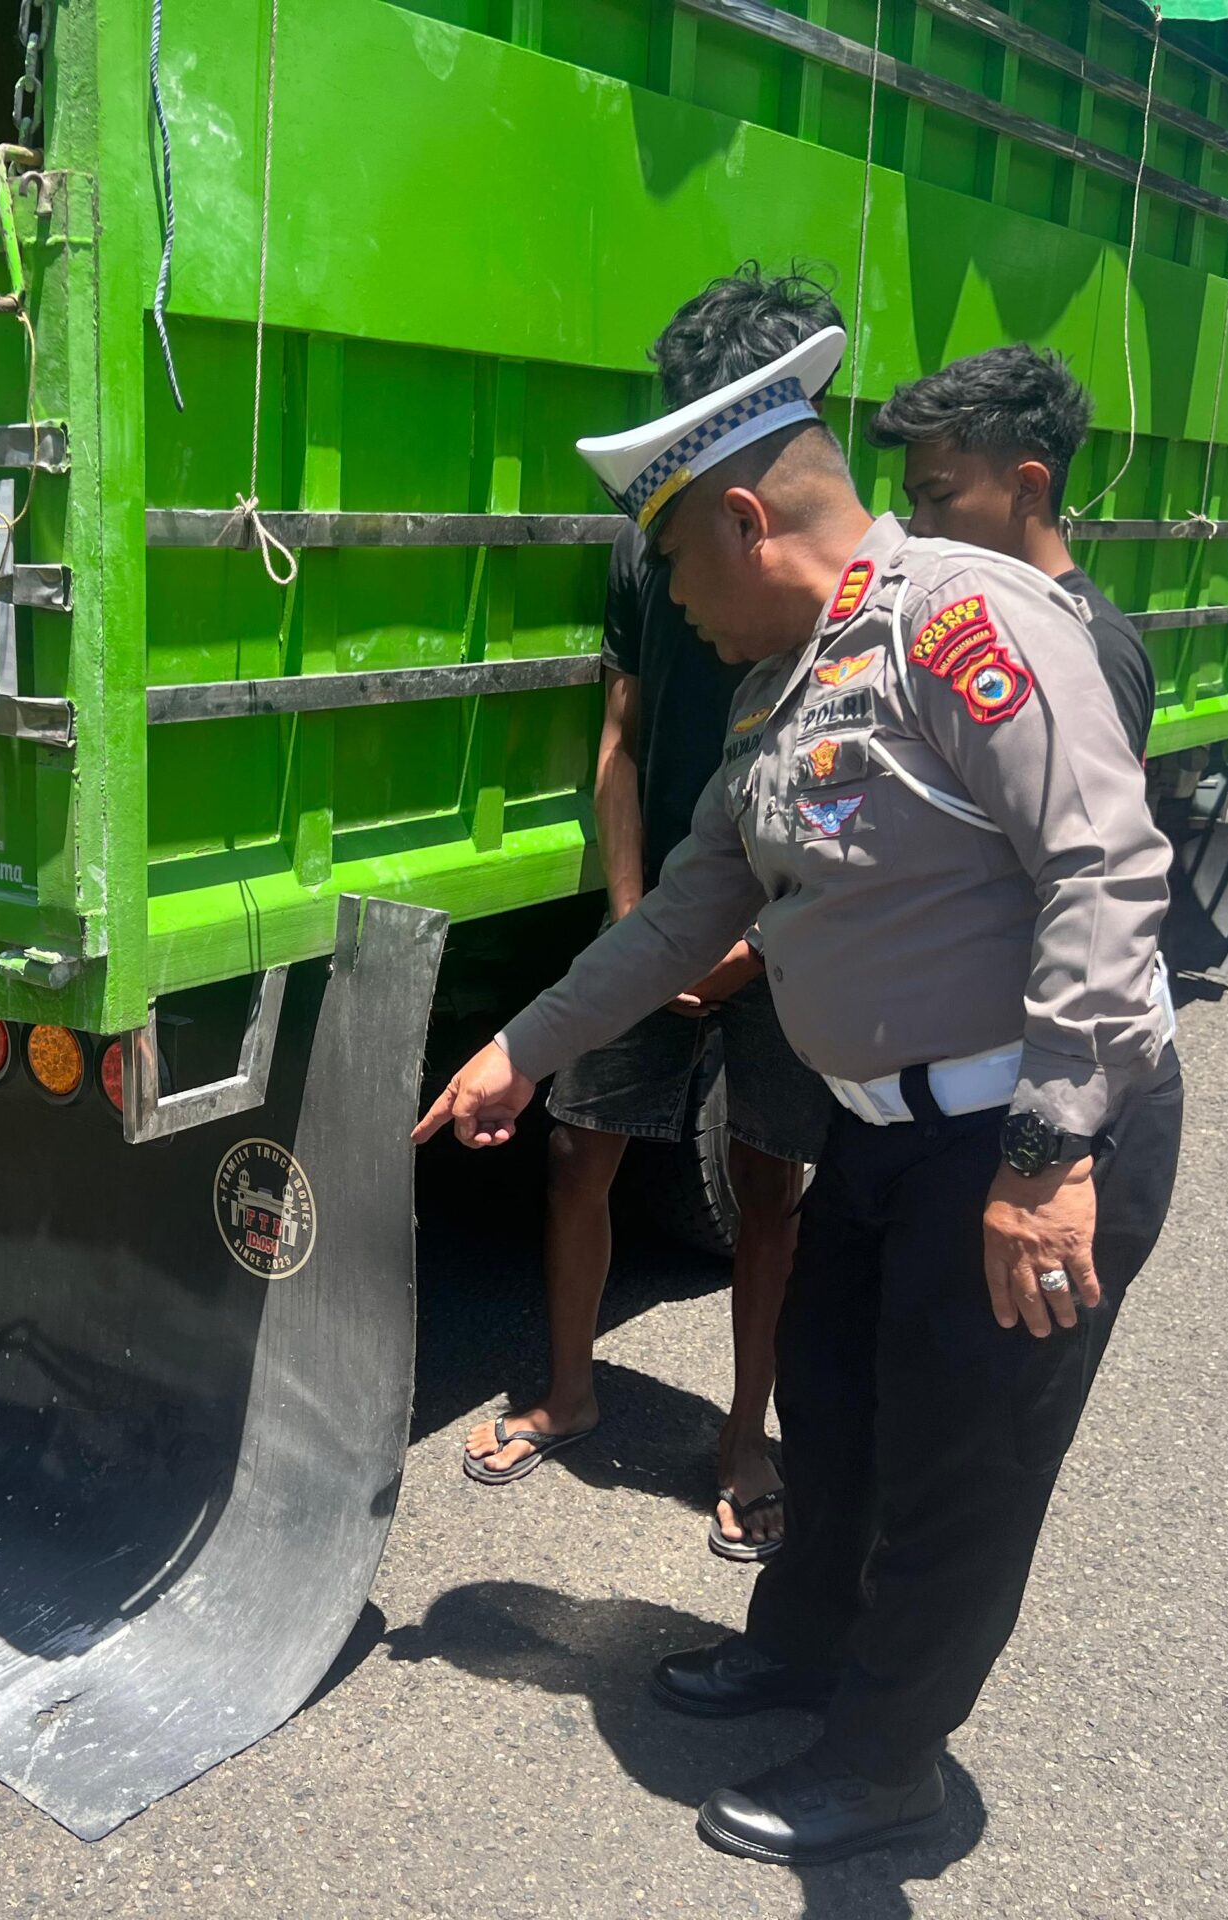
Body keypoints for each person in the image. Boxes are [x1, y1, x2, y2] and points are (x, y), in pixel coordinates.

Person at [414, 286, 1183, 1866]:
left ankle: (889, 1768)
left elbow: (1105, 872)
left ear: (747, 521)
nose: (675, 608)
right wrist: (517, 1050)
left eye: (676, 568)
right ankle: (805, 1653)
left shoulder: (963, 625)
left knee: (958, 1473)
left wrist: (1049, 1157)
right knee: (833, 1415)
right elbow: (681, 919)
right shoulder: (786, 687)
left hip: (1031, 1132)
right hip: (887, 1134)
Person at [462, 273, 839, 1571]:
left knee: (769, 1185)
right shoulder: (651, 550)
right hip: (665, 911)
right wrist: (640, 925)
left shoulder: (859, 617)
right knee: (578, 1147)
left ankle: (745, 1442)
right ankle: (568, 1392)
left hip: (779, 927)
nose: (682, 586)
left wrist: (751, 944)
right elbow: (618, 742)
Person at [867, 345, 1154, 758]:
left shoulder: (1093, 649)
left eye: (941, 497)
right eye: (914, 503)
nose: (920, 527)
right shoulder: (951, 618)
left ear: (1027, 488)